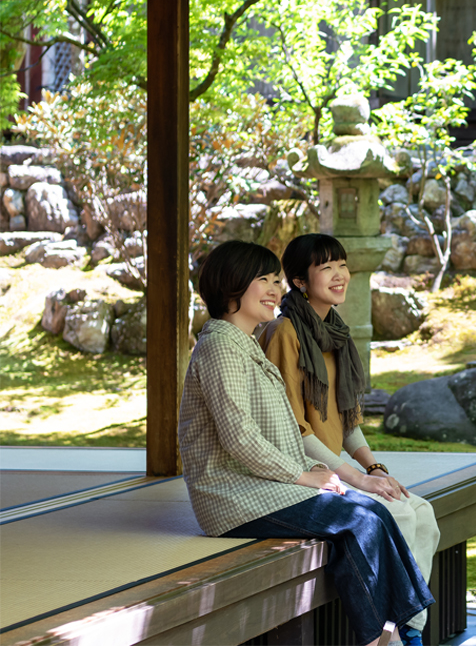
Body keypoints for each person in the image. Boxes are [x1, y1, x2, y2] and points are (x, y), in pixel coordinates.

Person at [178, 240, 433, 646]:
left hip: (264, 486)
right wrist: (302, 476)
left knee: (373, 512)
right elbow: (239, 438)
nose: (276, 289)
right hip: (231, 496)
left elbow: (278, 433)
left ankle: (399, 632)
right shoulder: (221, 347)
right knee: (360, 520)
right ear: (231, 287)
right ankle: (384, 637)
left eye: (277, 280)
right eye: (263, 280)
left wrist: (315, 472)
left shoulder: (244, 344)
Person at [259, 233, 441, 646]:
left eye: (342, 265)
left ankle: (406, 630)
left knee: (424, 515)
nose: (340, 275)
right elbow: (292, 427)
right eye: (326, 267)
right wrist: (360, 481)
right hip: (303, 471)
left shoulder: (336, 333)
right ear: (301, 281)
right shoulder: (285, 333)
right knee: (401, 514)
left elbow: (346, 419)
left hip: (335, 466)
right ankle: (390, 634)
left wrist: (374, 467)